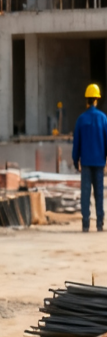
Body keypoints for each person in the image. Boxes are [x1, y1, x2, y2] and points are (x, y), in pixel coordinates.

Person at [72, 83, 107, 233]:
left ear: (87, 100)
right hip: (99, 163)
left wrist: (75, 160)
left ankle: (85, 223)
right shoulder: (103, 119)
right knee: (99, 193)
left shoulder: (81, 119)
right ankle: (100, 223)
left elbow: (76, 143)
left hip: (85, 163)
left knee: (85, 194)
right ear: (96, 100)